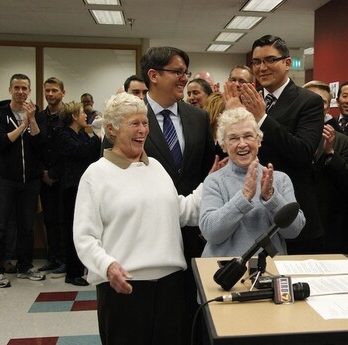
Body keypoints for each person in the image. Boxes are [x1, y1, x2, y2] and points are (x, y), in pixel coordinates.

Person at [73, 92, 204, 345]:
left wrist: (211, 183)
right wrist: (108, 266)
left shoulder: (155, 166)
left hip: (170, 287)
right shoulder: (96, 174)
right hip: (124, 289)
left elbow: (182, 211)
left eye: (145, 123)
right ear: (111, 128)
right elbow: (85, 237)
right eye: (135, 123)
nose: (143, 130)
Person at [139, 46, 215, 344]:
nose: (185, 78)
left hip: (193, 231)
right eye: (177, 72)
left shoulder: (197, 118)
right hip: (149, 232)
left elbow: (209, 169)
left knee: (189, 309)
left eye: (186, 72)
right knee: (155, 313)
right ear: (153, 75)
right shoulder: (131, 118)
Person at [235, 34, 324, 254]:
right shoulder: (246, 100)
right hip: (250, 213)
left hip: (290, 210)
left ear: (287, 62)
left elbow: (303, 152)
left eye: (269, 60)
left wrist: (262, 118)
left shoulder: (308, 101)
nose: (261, 67)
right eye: (256, 62)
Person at [200, 107, 305, 257]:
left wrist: (271, 197)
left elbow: (294, 231)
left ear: (259, 140)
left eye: (248, 136)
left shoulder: (280, 179)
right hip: (226, 272)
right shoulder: (214, 181)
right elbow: (211, 233)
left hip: (271, 270)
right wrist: (243, 197)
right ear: (223, 145)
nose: (242, 144)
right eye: (234, 138)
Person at [0, 74, 46, 286]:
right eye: (16, 87)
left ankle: (25, 266)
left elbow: (39, 144)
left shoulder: (35, 113)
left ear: (29, 91)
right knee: (1, 225)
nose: (20, 91)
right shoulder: (1, 113)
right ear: (10, 90)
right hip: (6, 179)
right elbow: (2, 142)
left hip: (30, 181)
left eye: (24, 88)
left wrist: (32, 120)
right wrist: (21, 125)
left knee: (27, 225)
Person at [304, 81, 348, 253]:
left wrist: (331, 153)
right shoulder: (287, 134)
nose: (315, 106)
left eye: (322, 103)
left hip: (328, 223)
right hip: (295, 219)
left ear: (327, 108)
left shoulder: (341, 140)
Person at [58, 101, 101, 286]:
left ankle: (82, 269)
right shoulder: (64, 135)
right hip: (71, 188)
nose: (86, 116)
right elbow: (79, 151)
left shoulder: (81, 134)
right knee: (72, 229)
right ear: (74, 116)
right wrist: (97, 136)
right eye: (83, 113)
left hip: (82, 186)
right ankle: (72, 273)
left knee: (85, 226)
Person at [37, 77, 67, 277]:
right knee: (49, 219)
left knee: (63, 219)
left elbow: (67, 149)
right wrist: (43, 172)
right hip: (43, 175)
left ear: (62, 92)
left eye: (54, 90)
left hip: (62, 177)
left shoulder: (69, 116)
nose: (50, 94)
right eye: (47, 90)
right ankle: (52, 257)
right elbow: (35, 146)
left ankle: (65, 259)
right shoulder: (39, 117)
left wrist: (54, 173)